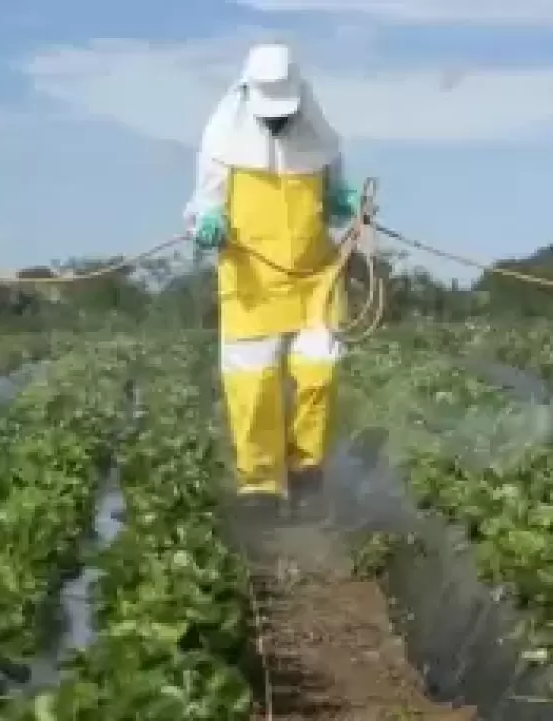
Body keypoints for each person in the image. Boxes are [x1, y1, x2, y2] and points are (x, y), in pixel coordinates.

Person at [183, 42, 364, 515]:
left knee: (319, 370)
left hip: (314, 273)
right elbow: (203, 204)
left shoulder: (320, 142)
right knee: (253, 383)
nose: (277, 123)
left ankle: (306, 466)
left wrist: (342, 201)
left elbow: (336, 195)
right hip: (251, 277)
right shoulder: (222, 141)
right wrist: (207, 223)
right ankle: (260, 482)